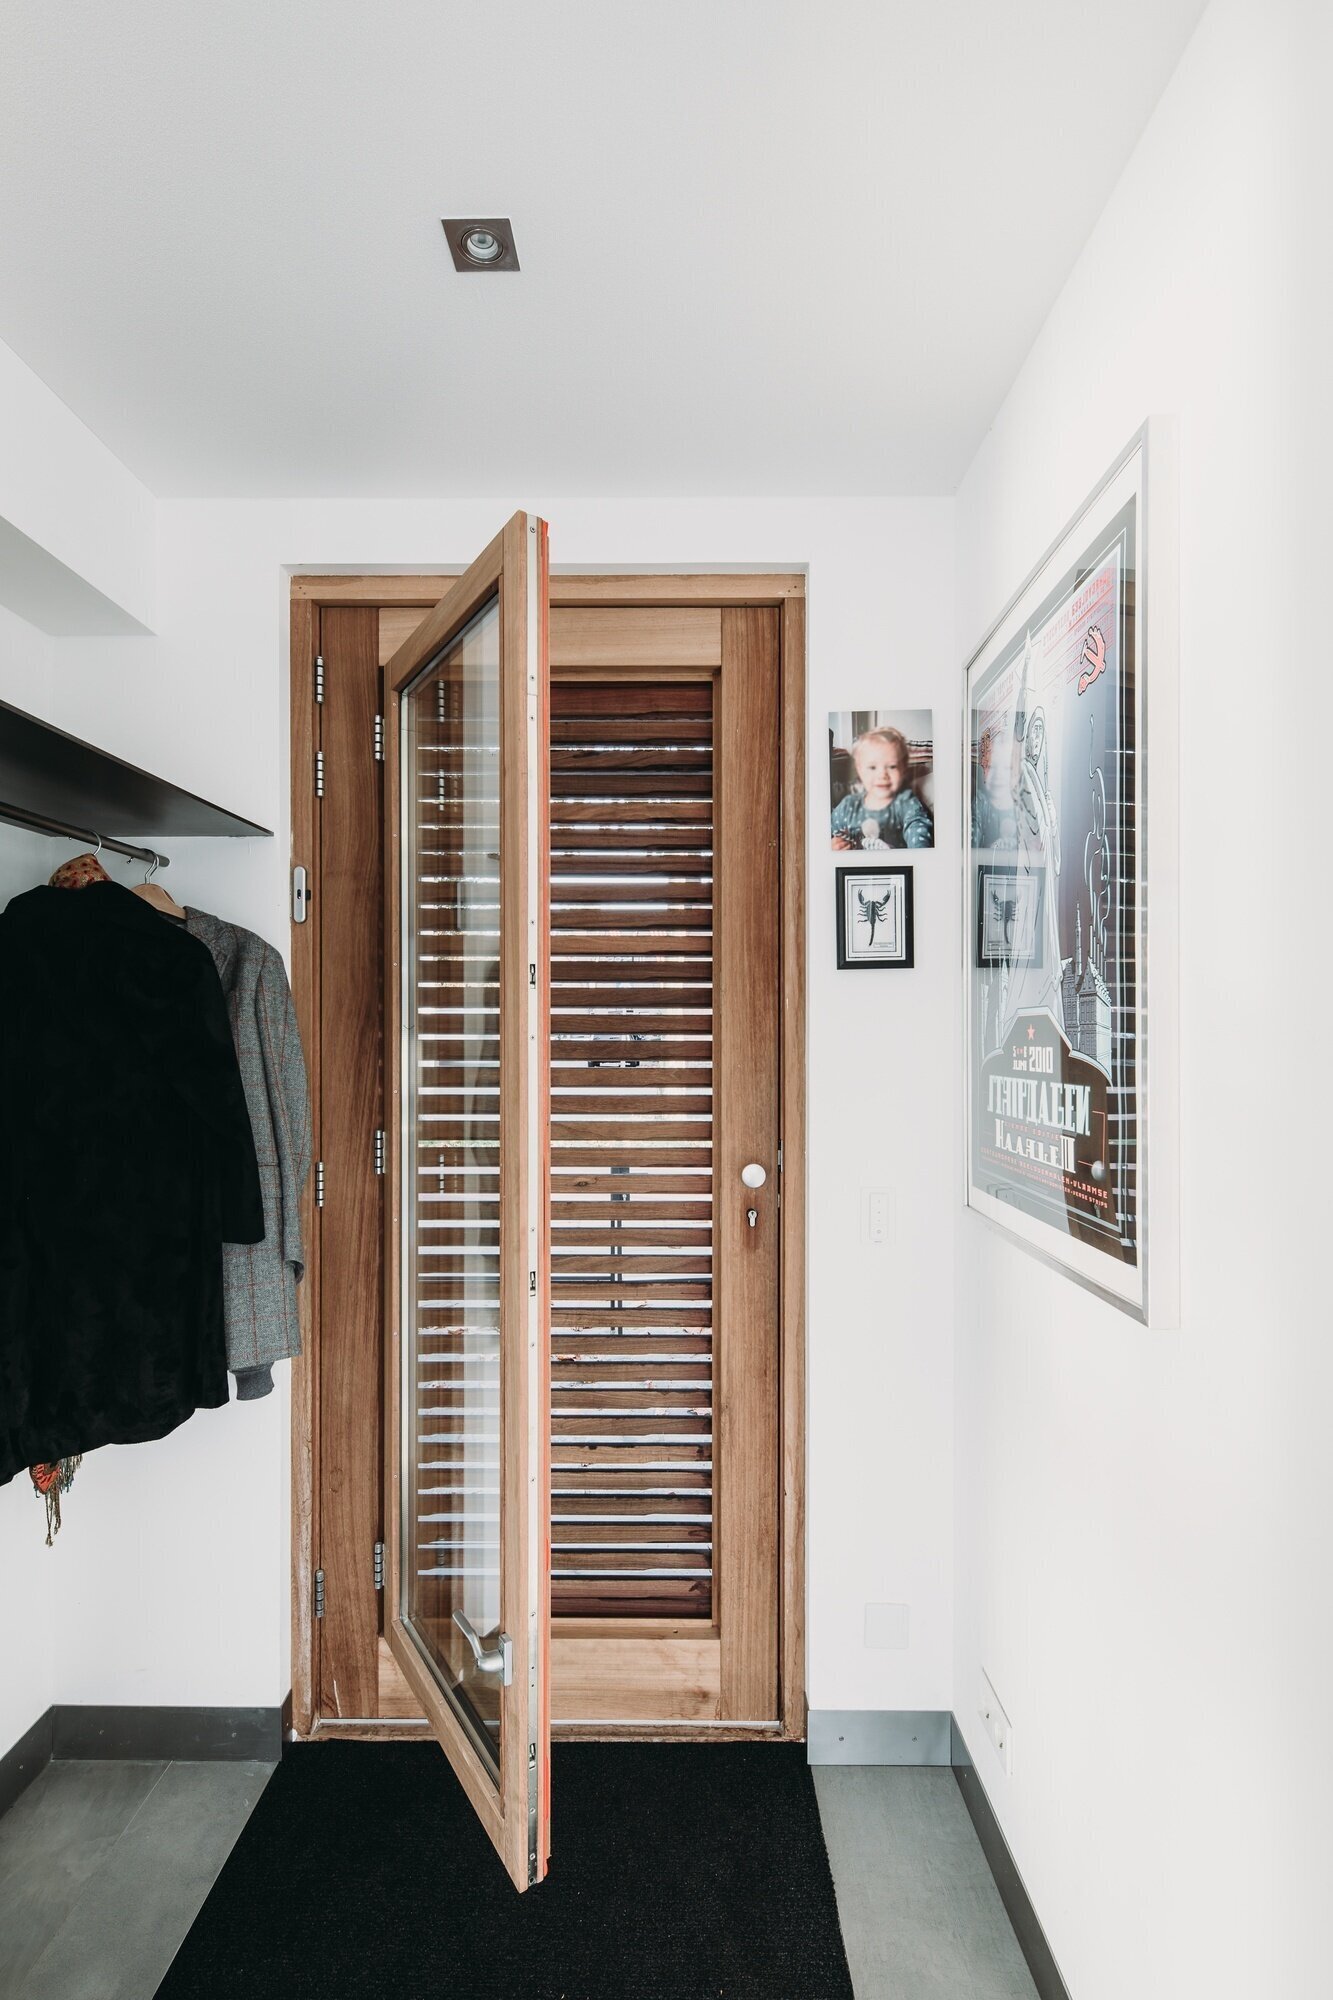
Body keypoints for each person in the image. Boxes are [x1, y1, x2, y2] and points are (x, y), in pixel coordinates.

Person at [830, 726, 933, 849]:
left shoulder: (906, 802)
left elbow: (917, 828)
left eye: (892, 766)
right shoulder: (848, 806)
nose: (882, 775)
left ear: (904, 770)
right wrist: (832, 846)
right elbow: (826, 832)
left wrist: (919, 850)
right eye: (872, 767)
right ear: (860, 771)